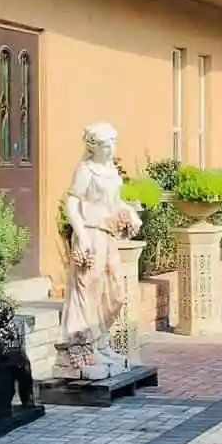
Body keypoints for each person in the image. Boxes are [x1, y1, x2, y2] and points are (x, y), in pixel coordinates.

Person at [58, 122, 142, 377]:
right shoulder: (86, 171)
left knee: (113, 291)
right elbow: (72, 204)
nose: (111, 149)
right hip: (91, 235)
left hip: (108, 236)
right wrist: (81, 235)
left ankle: (102, 342)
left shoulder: (110, 170)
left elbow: (115, 202)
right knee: (88, 290)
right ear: (94, 147)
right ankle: (84, 347)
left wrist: (130, 215)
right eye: (106, 145)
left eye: (113, 144)